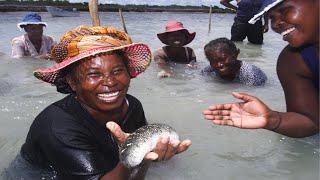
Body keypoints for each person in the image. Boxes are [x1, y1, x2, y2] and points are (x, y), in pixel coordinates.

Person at [5, 25, 191, 179]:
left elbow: (137, 152)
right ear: (72, 82)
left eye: (118, 71)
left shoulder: (132, 105)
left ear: (129, 73)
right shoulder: (57, 126)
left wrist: (144, 157)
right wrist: (131, 160)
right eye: (94, 74)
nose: (110, 82)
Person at [203, 0, 319, 138]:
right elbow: (311, 122)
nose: (275, 24)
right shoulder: (293, 60)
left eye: (285, 11)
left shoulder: (251, 73)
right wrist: (273, 120)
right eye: (271, 18)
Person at [201, 37, 267, 86]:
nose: (219, 65)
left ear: (235, 54)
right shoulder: (209, 69)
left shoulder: (250, 74)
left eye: (223, 59)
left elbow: (253, 92)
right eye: (213, 61)